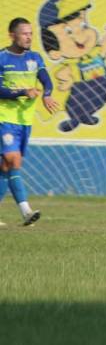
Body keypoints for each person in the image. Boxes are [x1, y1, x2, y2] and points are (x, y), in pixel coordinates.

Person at [0, 18, 60, 227]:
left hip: (24, 121)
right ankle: (26, 211)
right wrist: (22, 91)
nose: (29, 37)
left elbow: (46, 79)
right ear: (12, 35)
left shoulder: (34, 57)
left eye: (31, 33)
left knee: (6, 167)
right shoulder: (2, 58)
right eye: (24, 33)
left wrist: (47, 94)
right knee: (12, 160)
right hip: (4, 118)